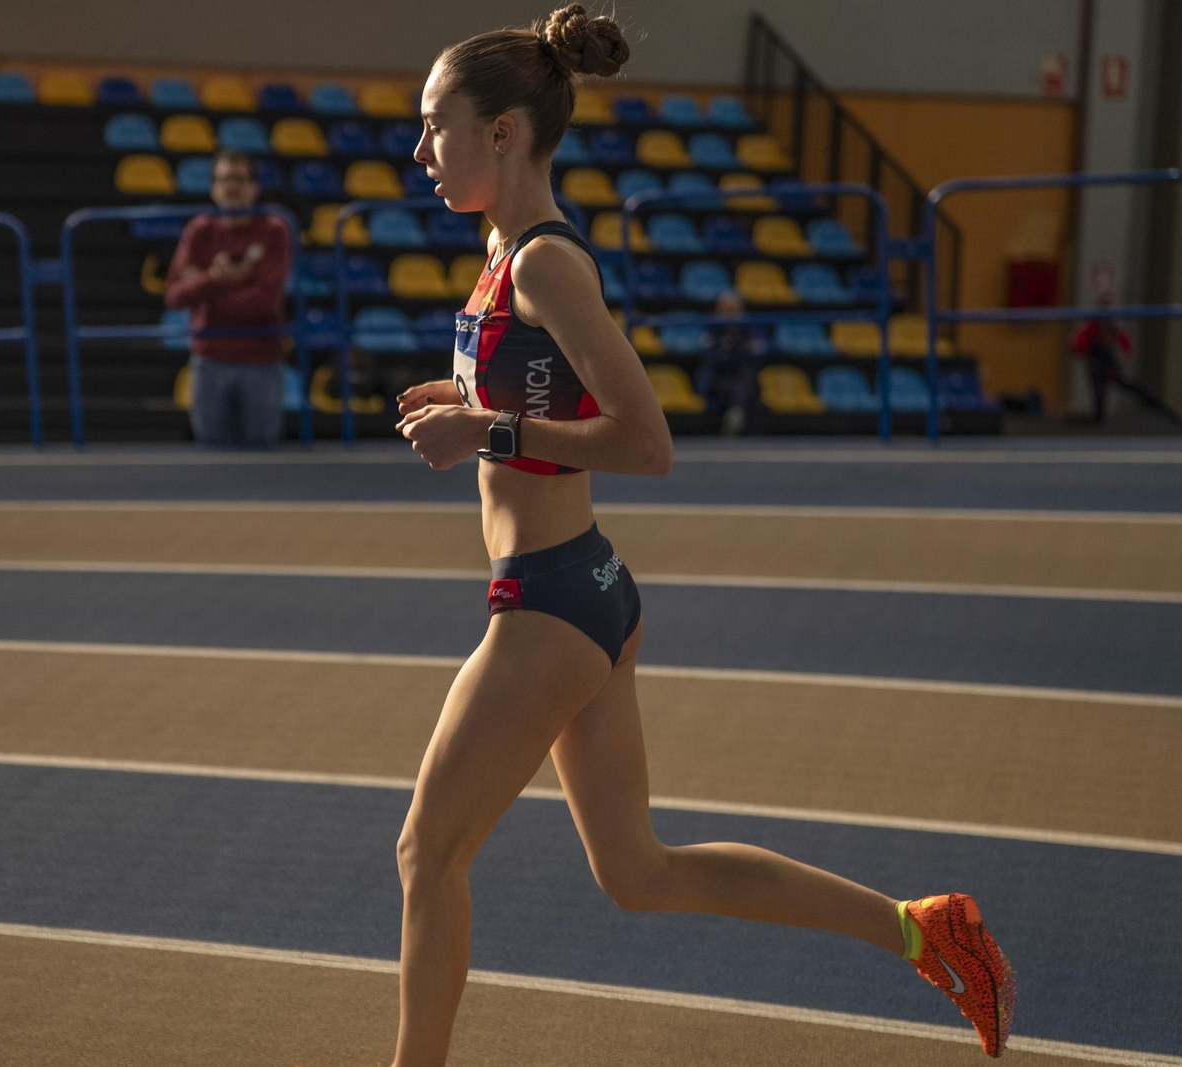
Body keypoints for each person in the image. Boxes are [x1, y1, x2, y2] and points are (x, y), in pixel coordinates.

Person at [390, 6, 1016, 1064]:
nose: (419, 150)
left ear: (502, 130)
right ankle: (922, 927)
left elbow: (645, 441)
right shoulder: (500, 251)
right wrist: (462, 405)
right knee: (640, 871)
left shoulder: (545, 263)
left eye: (434, 125)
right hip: (584, 589)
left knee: (425, 851)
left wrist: (485, 425)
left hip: (551, 601)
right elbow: (535, 404)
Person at [164, 149, 293, 447]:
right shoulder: (199, 231)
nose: (231, 187)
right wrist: (216, 279)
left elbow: (265, 300)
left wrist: (206, 290)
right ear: (213, 188)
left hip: (262, 360)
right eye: (223, 180)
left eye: (238, 179)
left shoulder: (274, 229)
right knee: (212, 460)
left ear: (254, 187)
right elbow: (173, 296)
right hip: (210, 360)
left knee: (263, 456)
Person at [1070, 295, 1182, 429]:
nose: (1113, 314)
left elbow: (1125, 346)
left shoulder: (1113, 330)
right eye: (1110, 310)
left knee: (1141, 393)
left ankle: (1175, 417)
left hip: (1112, 370)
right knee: (1099, 411)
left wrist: (1121, 358)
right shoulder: (1091, 329)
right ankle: (1082, 425)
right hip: (1098, 371)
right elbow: (1077, 348)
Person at [699, 289, 766, 435]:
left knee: (747, 379)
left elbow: (759, 353)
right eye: (727, 310)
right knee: (741, 384)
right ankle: (737, 412)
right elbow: (713, 359)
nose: (730, 314)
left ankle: (736, 413)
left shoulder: (749, 328)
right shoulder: (712, 329)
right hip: (718, 380)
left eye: (734, 310)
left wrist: (732, 354)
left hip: (742, 378)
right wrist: (741, 352)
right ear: (719, 311)